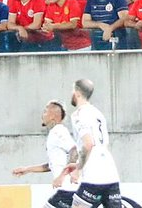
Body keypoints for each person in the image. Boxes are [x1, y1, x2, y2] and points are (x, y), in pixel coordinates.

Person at [55, 79, 122, 208]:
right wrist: (79, 164)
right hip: (111, 175)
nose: (71, 94)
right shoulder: (98, 114)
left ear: (78, 93)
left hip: (94, 178)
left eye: (72, 91)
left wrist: (78, 170)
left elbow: (88, 144)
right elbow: (100, 145)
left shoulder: (79, 114)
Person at [12, 100, 79, 208]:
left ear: (53, 116)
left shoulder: (58, 132)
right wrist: (26, 169)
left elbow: (74, 150)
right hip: (68, 191)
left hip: (67, 191)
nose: (42, 115)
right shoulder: (55, 133)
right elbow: (51, 165)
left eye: (45, 112)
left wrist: (62, 176)